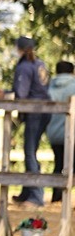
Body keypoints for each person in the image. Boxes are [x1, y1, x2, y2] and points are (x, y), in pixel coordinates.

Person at [11, 36, 51, 207]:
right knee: (32, 150)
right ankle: (27, 192)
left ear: (19, 48)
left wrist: (9, 94)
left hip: (34, 111)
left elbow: (22, 93)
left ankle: (35, 195)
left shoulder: (24, 67)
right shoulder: (40, 64)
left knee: (29, 152)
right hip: (45, 110)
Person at [46, 60, 74, 202]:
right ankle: (66, 196)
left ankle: (56, 196)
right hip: (72, 133)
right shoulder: (73, 86)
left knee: (58, 163)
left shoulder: (49, 86)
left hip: (53, 132)